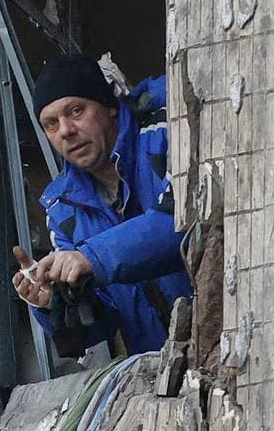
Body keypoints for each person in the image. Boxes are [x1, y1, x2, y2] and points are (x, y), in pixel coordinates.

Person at [10, 54, 192, 355]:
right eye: (51, 124)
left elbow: (182, 222)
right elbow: (101, 324)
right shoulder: (62, 209)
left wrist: (91, 257)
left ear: (109, 106)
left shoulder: (165, 134)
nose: (66, 131)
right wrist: (55, 302)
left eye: (76, 111)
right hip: (169, 367)